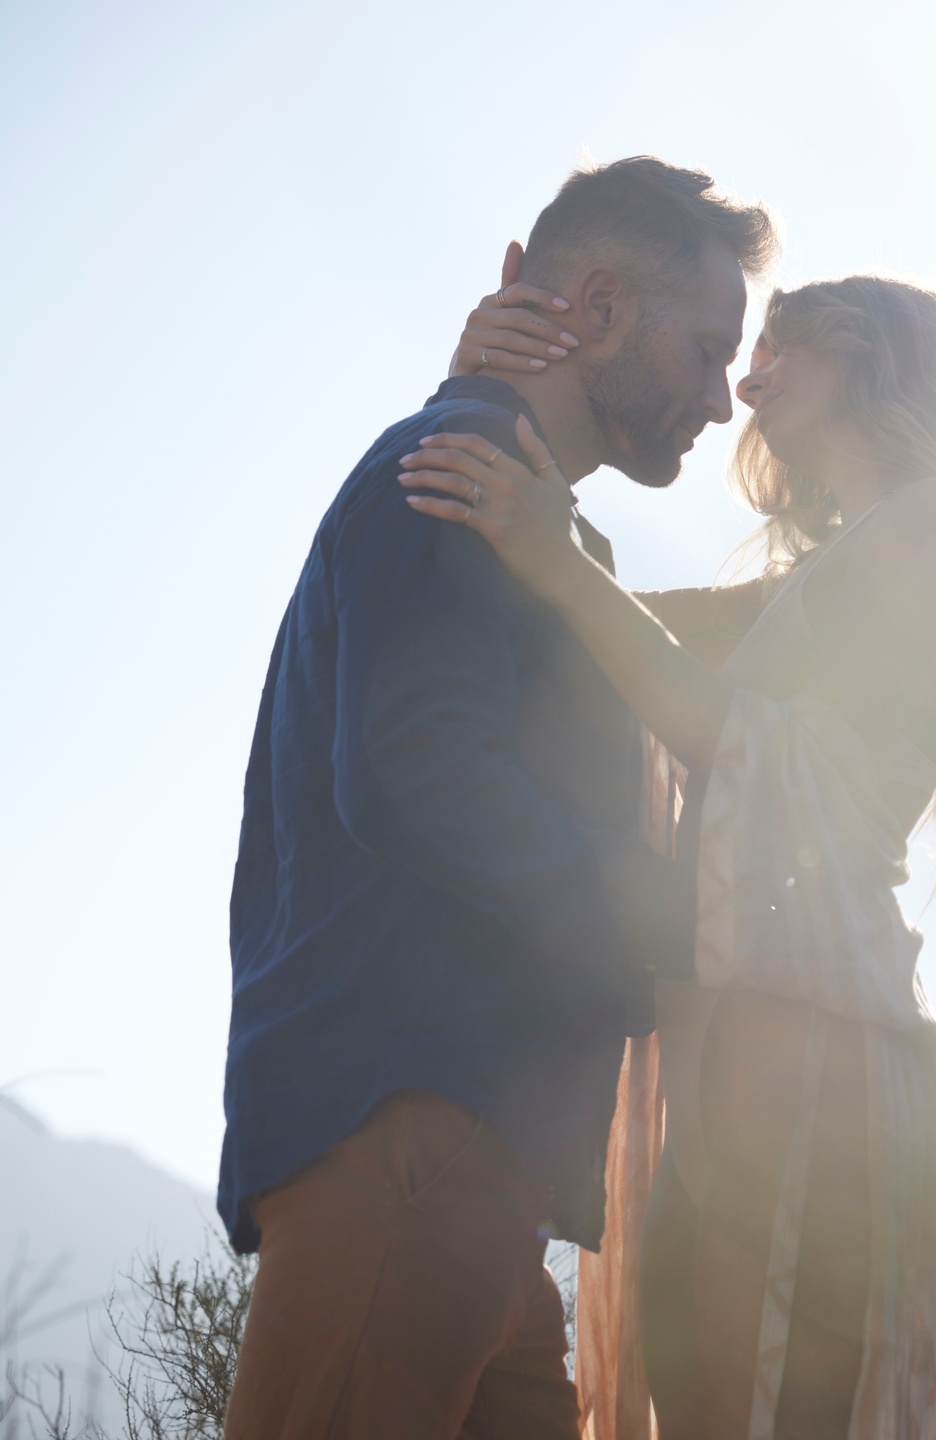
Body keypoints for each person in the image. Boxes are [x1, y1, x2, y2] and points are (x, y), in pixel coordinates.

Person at [405, 270, 936, 1439]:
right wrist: (485, 388)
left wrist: (556, 561)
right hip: (733, 1052)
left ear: (870, 361)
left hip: (821, 1048)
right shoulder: (819, 577)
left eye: (780, 350)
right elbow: (586, 619)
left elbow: (756, 740)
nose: (748, 386)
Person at [219, 156, 777, 1440]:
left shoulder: (522, 511)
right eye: (705, 351)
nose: (718, 397)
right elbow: (421, 766)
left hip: (474, 1171)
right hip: (414, 1138)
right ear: (600, 305)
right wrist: (670, 918)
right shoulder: (456, 470)